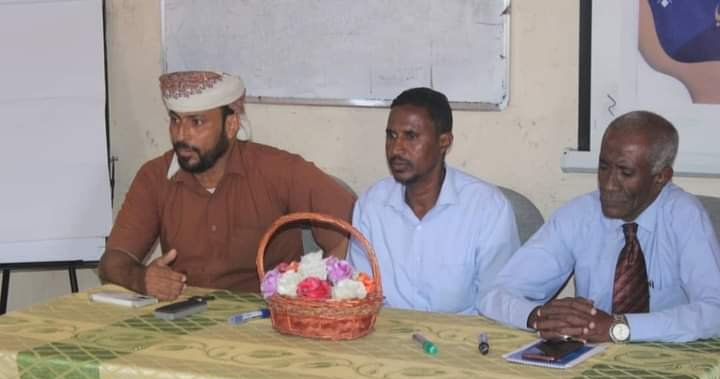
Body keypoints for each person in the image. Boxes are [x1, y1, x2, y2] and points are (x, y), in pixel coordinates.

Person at [99, 71, 354, 301]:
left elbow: (355, 233)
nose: (181, 135)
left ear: (231, 126)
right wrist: (141, 279)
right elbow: (113, 260)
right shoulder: (155, 177)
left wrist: (316, 290)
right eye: (175, 121)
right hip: (184, 317)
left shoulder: (279, 171)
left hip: (265, 320)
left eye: (196, 122)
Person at [479, 111, 720, 343]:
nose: (609, 184)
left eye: (626, 172)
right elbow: (496, 294)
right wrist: (539, 317)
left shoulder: (685, 216)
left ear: (661, 177)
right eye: (603, 167)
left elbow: (714, 312)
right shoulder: (580, 215)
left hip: (672, 358)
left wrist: (619, 328)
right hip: (590, 357)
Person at [348, 87, 519, 314]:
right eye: (391, 136)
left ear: (444, 142)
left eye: (411, 136)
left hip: (464, 333)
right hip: (386, 331)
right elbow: (360, 295)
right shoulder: (371, 204)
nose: (396, 149)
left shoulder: (486, 207)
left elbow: (499, 298)